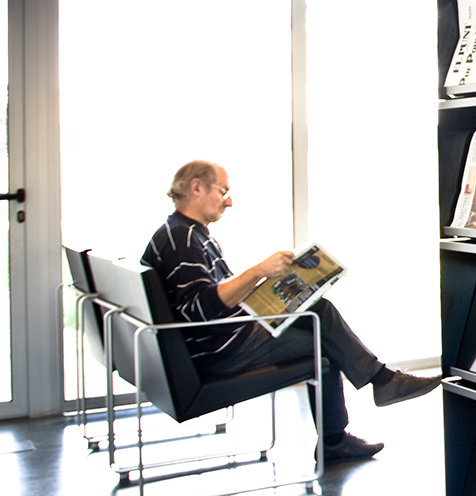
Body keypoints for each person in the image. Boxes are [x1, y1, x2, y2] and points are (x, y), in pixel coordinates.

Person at [141, 161, 442, 463]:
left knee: (318, 308)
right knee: (325, 345)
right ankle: (352, 419)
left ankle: (379, 383)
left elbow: (210, 299)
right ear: (196, 187)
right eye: (223, 191)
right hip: (222, 350)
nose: (228, 201)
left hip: (223, 338)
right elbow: (200, 309)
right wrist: (258, 271)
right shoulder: (183, 240)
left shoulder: (184, 233)